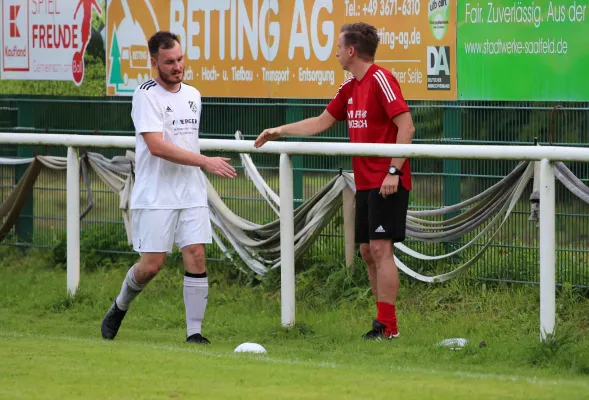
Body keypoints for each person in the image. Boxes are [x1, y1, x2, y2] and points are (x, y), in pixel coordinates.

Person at [254, 22, 415, 341]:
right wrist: (279, 131)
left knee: (382, 250)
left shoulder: (380, 78)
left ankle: (387, 327)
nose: (336, 53)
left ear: (352, 50)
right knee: (368, 252)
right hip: (365, 183)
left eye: (339, 47)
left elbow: (406, 126)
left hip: (387, 181)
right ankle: (384, 322)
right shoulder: (348, 88)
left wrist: (393, 172)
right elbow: (320, 122)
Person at [101, 31, 237, 344]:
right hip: (155, 193)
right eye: (169, 62)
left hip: (190, 191)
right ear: (154, 62)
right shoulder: (145, 95)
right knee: (151, 265)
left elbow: (185, 141)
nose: (177, 66)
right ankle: (120, 306)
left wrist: (198, 166)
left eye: (180, 59)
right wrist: (204, 161)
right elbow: (158, 147)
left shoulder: (193, 94)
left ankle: (194, 334)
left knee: (196, 255)